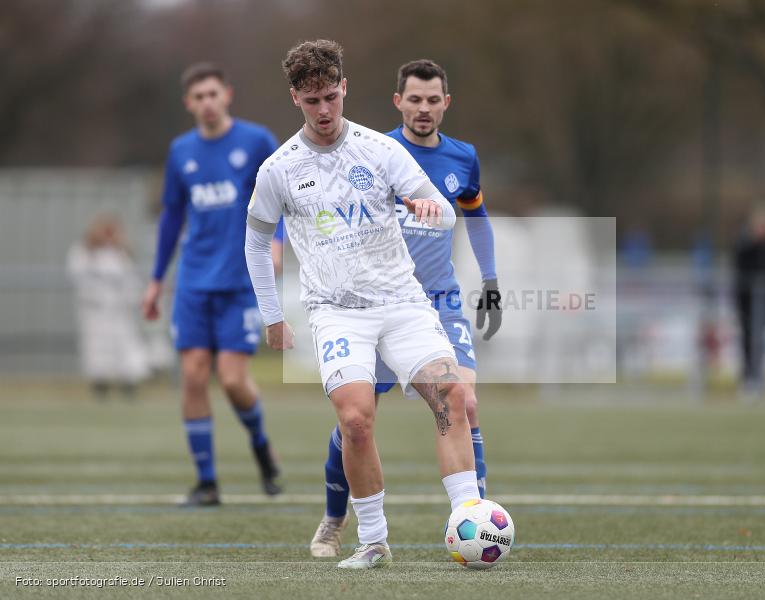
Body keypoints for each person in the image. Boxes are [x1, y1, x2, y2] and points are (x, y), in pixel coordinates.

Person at [244, 39, 482, 569]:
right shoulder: (279, 169)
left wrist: (427, 207)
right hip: (336, 311)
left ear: (344, 87)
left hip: (402, 301)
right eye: (312, 101)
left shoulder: (381, 150)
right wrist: (272, 316)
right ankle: (373, 540)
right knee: (355, 419)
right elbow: (256, 242)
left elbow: (444, 214)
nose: (325, 111)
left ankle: (470, 515)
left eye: (331, 96)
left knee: (452, 395)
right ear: (295, 99)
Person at [305, 58, 501, 558]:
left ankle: (474, 520)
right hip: (377, 305)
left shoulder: (463, 158)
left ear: (446, 104)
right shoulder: (375, 151)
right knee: (354, 422)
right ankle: (333, 517)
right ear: (398, 102)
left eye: (433, 99)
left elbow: (476, 217)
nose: (424, 108)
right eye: (414, 99)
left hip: (438, 301)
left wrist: (492, 280)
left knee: (464, 400)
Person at [142, 62, 283, 506]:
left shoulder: (256, 141)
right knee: (193, 376)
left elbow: (283, 194)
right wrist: (155, 279)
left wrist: (276, 242)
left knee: (233, 380)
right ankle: (207, 482)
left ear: (227, 94)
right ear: (188, 103)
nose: (206, 102)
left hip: (240, 281)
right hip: (193, 283)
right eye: (197, 96)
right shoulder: (180, 150)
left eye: (212, 94)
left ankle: (261, 445)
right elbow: (171, 218)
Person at [67, 215, 149, 399]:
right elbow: (78, 275)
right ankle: (100, 385)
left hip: (120, 310)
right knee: (97, 348)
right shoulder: (84, 252)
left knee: (126, 346)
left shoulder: (121, 254)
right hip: (96, 311)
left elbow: (131, 279)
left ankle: (129, 384)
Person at [732, 206, 765, 400]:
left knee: (763, 340)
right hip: (746, 302)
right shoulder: (744, 245)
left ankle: (761, 377)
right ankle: (748, 379)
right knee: (747, 338)